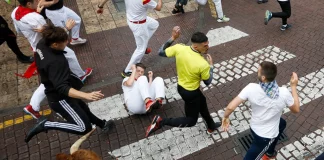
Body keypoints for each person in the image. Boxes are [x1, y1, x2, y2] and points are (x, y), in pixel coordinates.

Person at [25, 24, 115, 143]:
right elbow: (62, 88)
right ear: (55, 44)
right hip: (61, 99)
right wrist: (86, 95)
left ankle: (102, 124)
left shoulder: (42, 43)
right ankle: (46, 125)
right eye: (64, 42)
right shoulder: (56, 62)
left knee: (84, 109)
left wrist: (66, 29)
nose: (66, 43)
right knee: (83, 127)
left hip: (59, 90)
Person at [10, 0, 92, 119]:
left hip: (37, 46)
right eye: (36, 0)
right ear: (28, 3)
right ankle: (33, 106)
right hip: (47, 47)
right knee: (50, 80)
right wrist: (66, 28)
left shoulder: (15, 12)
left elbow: (18, 31)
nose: (39, 0)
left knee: (70, 55)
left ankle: (80, 74)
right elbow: (52, 36)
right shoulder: (36, 18)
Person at [145, 26, 221, 137]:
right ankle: (161, 121)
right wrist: (211, 66)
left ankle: (211, 125)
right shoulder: (203, 63)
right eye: (205, 46)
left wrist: (173, 38)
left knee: (202, 103)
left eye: (208, 44)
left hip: (181, 87)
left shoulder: (180, 48)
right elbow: (208, 82)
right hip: (191, 93)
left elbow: (161, 52)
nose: (208, 47)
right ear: (196, 46)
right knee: (191, 121)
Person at [221, 61, 300, 160]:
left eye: (258, 71)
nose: (257, 72)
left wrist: (226, 117)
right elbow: (296, 109)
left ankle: (269, 152)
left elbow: (230, 107)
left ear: (263, 78)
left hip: (257, 129)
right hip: (265, 135)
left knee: (282, 124)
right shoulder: (284, 92)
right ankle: (268, 153)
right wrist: (293, 86)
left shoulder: (251, 88)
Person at [120, 0, 162, 77]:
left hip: (134, 18)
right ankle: (127, 71)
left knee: (154, 24)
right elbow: (159, 8)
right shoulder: (145, 0)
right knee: (140, 49)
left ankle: (144, 45)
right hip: (139, 24)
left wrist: (101, 6)